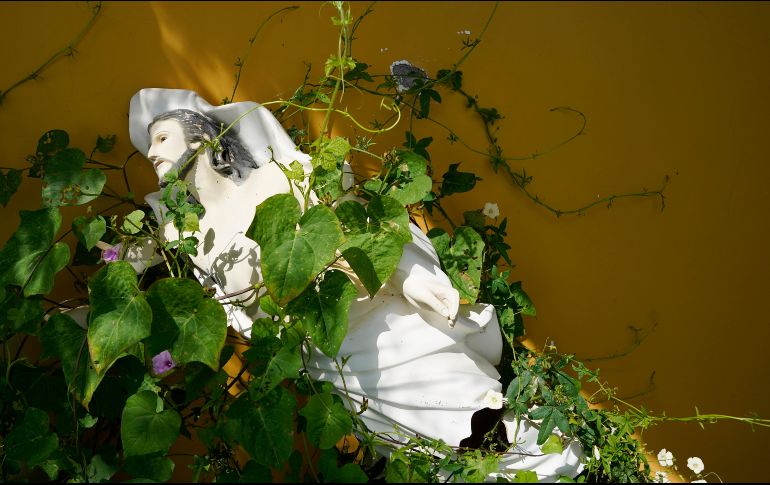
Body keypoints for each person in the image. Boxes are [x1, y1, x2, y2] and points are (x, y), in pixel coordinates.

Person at [127, 88, 584, 478]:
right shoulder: (183, 235)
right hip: (330, 360)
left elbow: (361, 231)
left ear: (204, 136)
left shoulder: (278, 177)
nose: (152, 154)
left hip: (381, 326)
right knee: (430, 460)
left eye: (163, 138)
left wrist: (411, 278)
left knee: (470, 414)